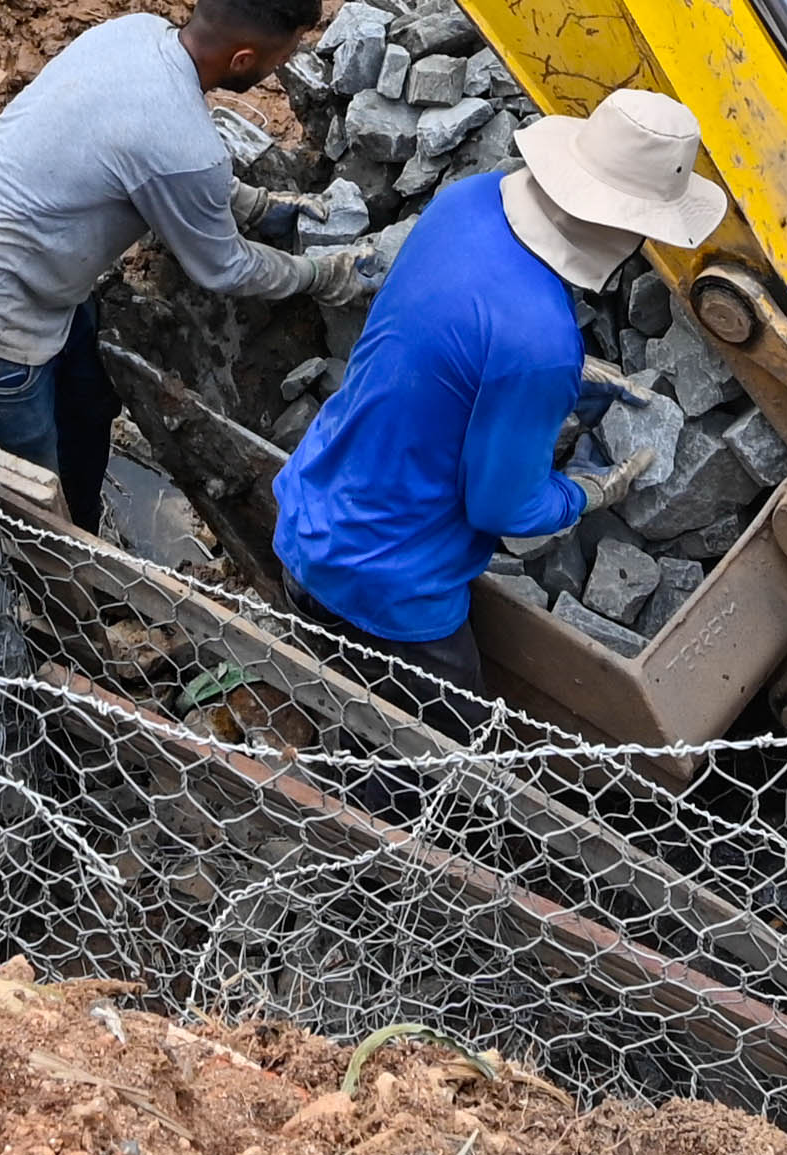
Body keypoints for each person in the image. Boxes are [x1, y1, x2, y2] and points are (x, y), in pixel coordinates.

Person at [267, 86, 729, 700]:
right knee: (444, 759)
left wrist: (562, 373)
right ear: (629, 230)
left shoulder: (469, 201)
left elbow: (440, 336)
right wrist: (591, 491)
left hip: (310, 507)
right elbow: (504, 512)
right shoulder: (539, 343)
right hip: (389, 583)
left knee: (334, 698)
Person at [0, 0, 353, 529]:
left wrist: (260, 205)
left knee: (90, 403)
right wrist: (320, 275)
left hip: (14, 263)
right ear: (244, 58)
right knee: (27, 498)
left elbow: (161, 164)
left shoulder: (135, 31)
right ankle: (48, 593)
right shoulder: (183, 147)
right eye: (279, 59)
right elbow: (225, 269)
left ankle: (86, 528)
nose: (278, 69)